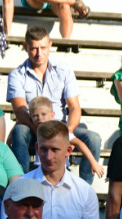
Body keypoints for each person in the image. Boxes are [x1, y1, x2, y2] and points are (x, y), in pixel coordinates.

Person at [6, 26, 101, 184]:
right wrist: (45, 133)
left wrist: (64, 133)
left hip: (61, 125)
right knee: (19, 130)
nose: (39, 53)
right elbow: (21, 112)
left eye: (43, 48)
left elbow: (74, 108)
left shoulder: (64, 70)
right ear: (25, 48)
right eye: (34, 49)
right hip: (32, 127)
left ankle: (84, 189)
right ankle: (20, 183)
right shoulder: (17, 75)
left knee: (94, 139)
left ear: (50, 45)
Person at [22, 120, 99, 219]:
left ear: (68, 150)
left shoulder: (85, 191)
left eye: (55, 150)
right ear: (36, 148)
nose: (49, 156)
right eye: (43, 149)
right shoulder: (20, 187)